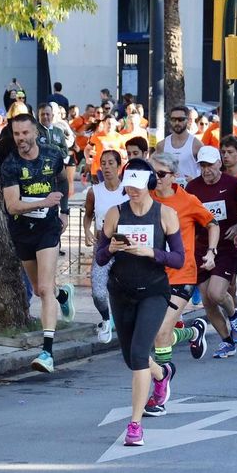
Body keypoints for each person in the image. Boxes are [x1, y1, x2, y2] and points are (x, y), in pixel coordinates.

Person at [97, 161, 184, 447]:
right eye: (127, 185)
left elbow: (179, 259)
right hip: (121, 291)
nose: (131, 190)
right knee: (130, 357)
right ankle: (161, 375)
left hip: (154, 292)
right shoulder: (115, 213)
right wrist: (110, 248)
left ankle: (135, 424)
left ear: (149, 184)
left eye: (136, 184)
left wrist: (152, 252)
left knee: (137, 355)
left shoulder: (166, 214)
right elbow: (99, 257)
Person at [0, 114, 76, 373]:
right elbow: (12, 206)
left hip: (48, 229)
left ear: (35, 133)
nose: (21, 138)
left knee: (44, 288)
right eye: (16, 134)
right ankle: (62, 295)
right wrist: (44, 201)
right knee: (39, 288)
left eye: (25, 133)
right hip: (22, 230)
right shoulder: (10, 164)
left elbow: (63, 180)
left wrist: (64, 210)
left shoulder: (52, 155)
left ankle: (47, 352)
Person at [149, 153, 218, 377]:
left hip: (182, 275)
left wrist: (211, 251)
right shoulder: (145, 199)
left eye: (161, 174)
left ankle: (162, 382)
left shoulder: (188, 201)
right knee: (159, 333)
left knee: (161, 332)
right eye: (152, 173)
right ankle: (193, 332)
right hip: (152, 275)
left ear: (174, 176)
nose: (156, 178)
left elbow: (212, 223)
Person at [186, 145, 237, 357]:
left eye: (210, 165)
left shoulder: (232, 184)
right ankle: (226, 341)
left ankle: (233, 315)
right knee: (207, 299)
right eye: (202, 166)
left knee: (217, 292)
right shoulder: (192, 187)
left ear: (219, 163)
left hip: (225, 246)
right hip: (201, 247)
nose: (206, 170)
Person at [84, 148, 129, 344]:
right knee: (98, 292)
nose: (107, 167)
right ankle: (105, 318)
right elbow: (88, 215)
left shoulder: (129, 190)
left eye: (111, 163)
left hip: (126, 245)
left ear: (119, 166)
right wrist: (87, 230)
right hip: (103, 244)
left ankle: (127, 325)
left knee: (126, 289)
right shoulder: (94, 191)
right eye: (104, 163)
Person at [156, 107, 204, 182]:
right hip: (168, 191)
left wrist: (195, 180)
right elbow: (156, 168)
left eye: (181, 119)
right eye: (173, 119)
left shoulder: (197, 144)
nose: (177, 123)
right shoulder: (161, 145)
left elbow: (206, 170)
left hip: (189, 190)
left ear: (188, 120)